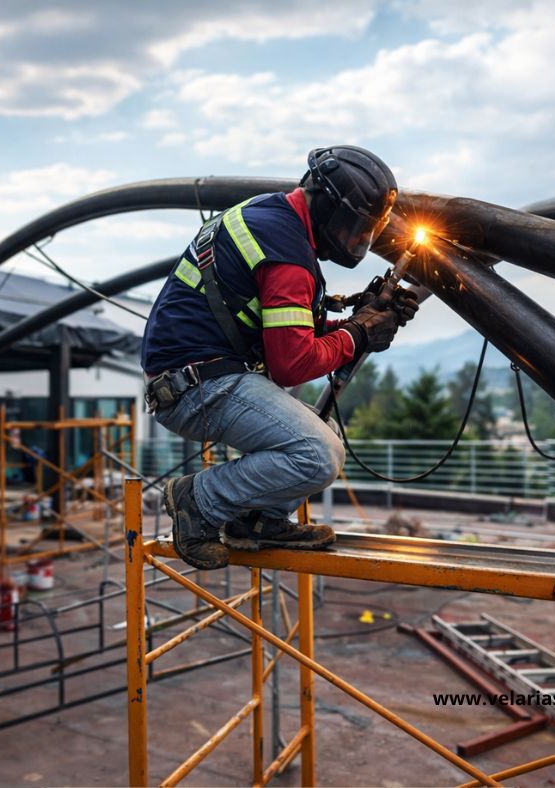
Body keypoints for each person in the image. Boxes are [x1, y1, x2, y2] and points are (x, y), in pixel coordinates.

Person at [141, 145, 418, 570]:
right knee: (316, 453)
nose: (355, 240)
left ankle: (259, 521)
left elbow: (282, 329)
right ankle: (197, 500)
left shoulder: (273, 217)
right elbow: (292, 362)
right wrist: (359, 333)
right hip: (196, 386)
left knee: (323, 436)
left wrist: (356, 318)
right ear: (326, 205)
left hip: (195, 375)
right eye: (352, 228)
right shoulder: (287, 253)